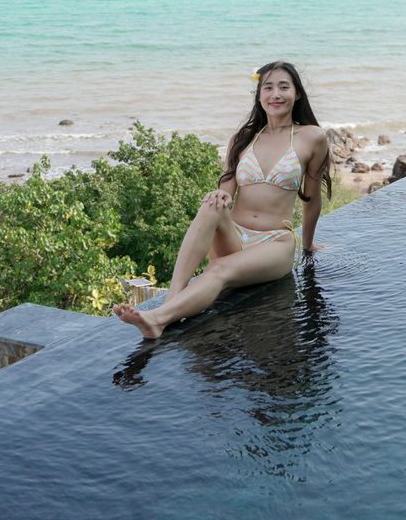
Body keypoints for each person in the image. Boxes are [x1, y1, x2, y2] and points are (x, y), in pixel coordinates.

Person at [111, 60, 331, 339]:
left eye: (284, 87)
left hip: (274, 242)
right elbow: (226, 191)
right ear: (259, 95)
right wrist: (219, 195)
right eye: (268, 87)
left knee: (218, 269)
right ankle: (171, 300)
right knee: (210, 204)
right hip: (234, 237)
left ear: (297, 94)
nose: (276, 94)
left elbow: (311, 199)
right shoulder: (244, 138)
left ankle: (158, 319)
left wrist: (308, 245)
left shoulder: (312, 137)